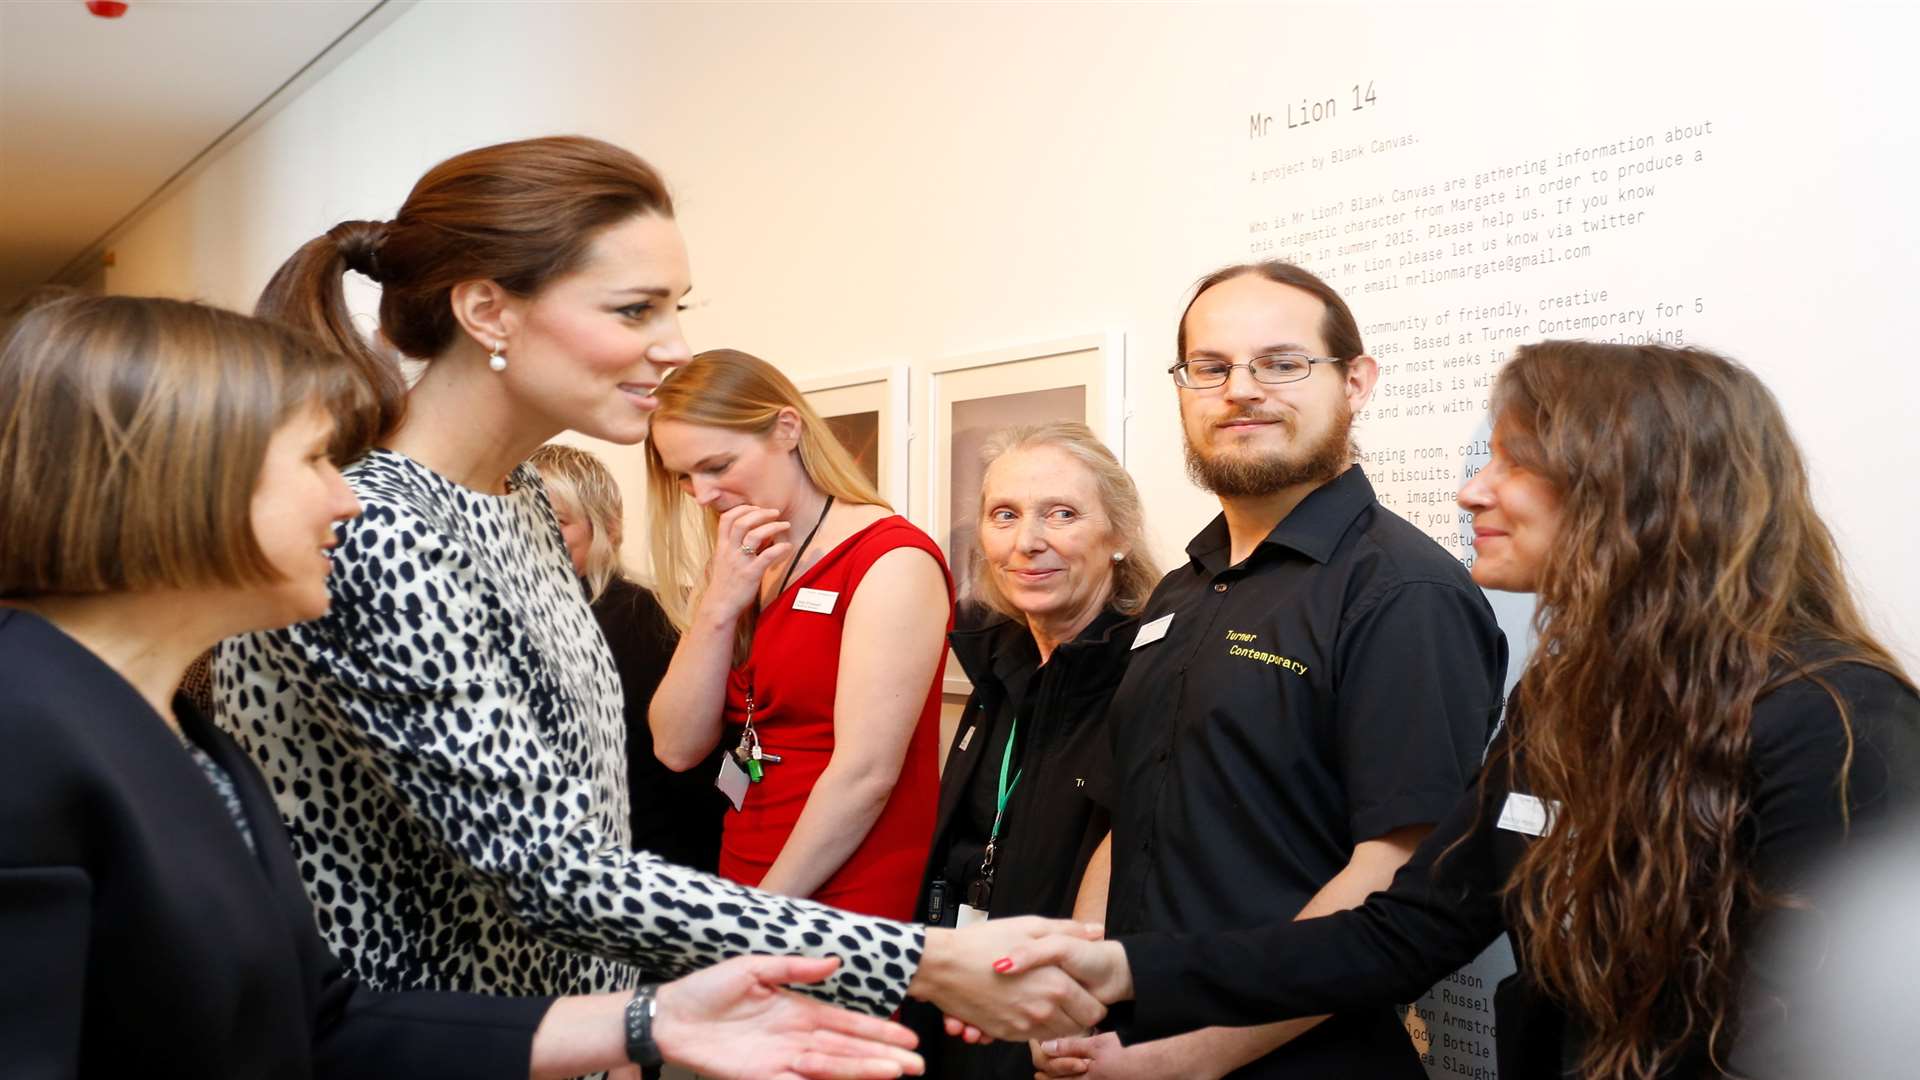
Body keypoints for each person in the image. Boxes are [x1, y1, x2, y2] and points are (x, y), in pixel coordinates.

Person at [215, 135, 1107, 1040]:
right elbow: (549, 871)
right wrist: (927, 961)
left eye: (676, 309)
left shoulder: (516, 499)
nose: (674, 349)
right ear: (488, 309)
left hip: (562, 1031)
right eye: (636, 310)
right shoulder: (376, 527)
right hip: (427, 1041)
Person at [0, 295, 931, 1079]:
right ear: (175, 483)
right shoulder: (28, 738)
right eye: (315, 462)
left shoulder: (179, 739)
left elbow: (321, 1022)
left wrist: (647, 1021)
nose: (349, 499)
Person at [1009, 341, 1920, 1080]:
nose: (1472, 490)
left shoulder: (1838, 720)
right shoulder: (1567, 701)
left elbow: (1841, 1036)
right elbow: (1409, 929)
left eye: (1515, 463)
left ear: (1639, 491)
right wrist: (1131, 969)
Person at [1055, 262, 1507, 1079]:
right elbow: (1127, 820)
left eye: (1282, 363)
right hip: (1127, 1044)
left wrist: (1186, 1061)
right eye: (1212, 367)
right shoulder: (1179, 590)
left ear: (1356, 382)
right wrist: (1077, 1002)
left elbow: (1392, 875)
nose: (1241, 390)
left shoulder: (1402, 592)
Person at [645, 349, 950, 921]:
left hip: (844, 886)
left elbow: (865, 776)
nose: (703, 493)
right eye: (683, 477)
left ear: (787, 429)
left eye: (717, 465)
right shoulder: (740, 561)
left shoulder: (889, 560)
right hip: (748, 867)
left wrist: (760, 916)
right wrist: (718, 604)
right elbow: (676, 746)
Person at [902, 421, 1156, 1079]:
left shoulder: (1151, 677)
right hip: (969, 998)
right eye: (1004, 515)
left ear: (1119, 535)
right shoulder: (999, 659)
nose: (1026, 542)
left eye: (1062, 515)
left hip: (1069, 1024)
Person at [527, 442, 727, 873]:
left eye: (556, 521)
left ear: (608, 528)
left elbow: (674, 770)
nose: (529, 534)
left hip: (640, 869)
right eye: (515, 518)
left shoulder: (648, 618)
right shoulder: (496, 612)